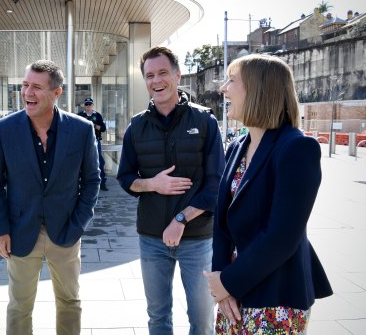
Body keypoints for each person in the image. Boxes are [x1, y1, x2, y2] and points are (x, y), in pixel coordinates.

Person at [203, 54, 333, 334]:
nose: (223, 88)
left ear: (259, 90)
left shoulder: (297, 148)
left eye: (232, 80)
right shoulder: (238, 145)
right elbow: (222, 222)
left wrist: (228, 282)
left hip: (276, 297)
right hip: (233, 295)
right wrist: (221, 281)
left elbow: (282, 236)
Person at [0, 59, 100, 335]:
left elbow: (92, 181)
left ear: (56, 92)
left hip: (66, 232)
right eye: (25, 85)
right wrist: (0, 231)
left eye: (36, 87)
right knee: (19, 306)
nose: (27, 93)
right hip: (20, 233)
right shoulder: (4, 129)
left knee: (70, 302)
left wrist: (78, 225)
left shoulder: (82, 130)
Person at [117, 46, 224, 335]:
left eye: (163, 72)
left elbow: (217, 185)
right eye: (149, 75)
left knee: (202, 320)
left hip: (197, 239)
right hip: (151, 239)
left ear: (177, 75)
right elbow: (125, 177)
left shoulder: (204, 122)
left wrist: (181, 220)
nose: (156, 80)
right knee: (158, 317)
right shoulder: (136, 127)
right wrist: (152, 184)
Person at [78, 97, 108, 190]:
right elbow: (75, 127)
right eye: (86, 104)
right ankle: (81, 183)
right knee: (82, 161)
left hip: (96, 140)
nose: (88, 106)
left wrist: (93, 125)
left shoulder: (97, 115)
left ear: (92, 105)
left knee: (99, 161)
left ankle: (102, 183)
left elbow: (103, 128)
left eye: (89, 104)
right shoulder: (80, 115)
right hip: (83, 141)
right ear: (84, 105)